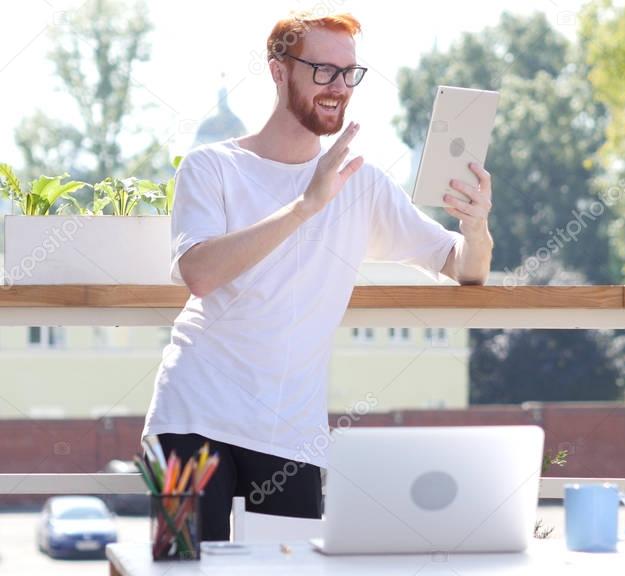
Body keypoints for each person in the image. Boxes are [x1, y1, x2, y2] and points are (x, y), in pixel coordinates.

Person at [141, 10, 494, 541]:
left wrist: (477, 225)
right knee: (180, 565)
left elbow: (463, 267)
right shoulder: (211, 167)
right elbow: (199, 272)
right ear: (278, 70)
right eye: (323, 70)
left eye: (349, 73)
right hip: (191, 415)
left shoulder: (361, 182)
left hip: (291, 436)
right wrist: (306, 205)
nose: (339, 87)